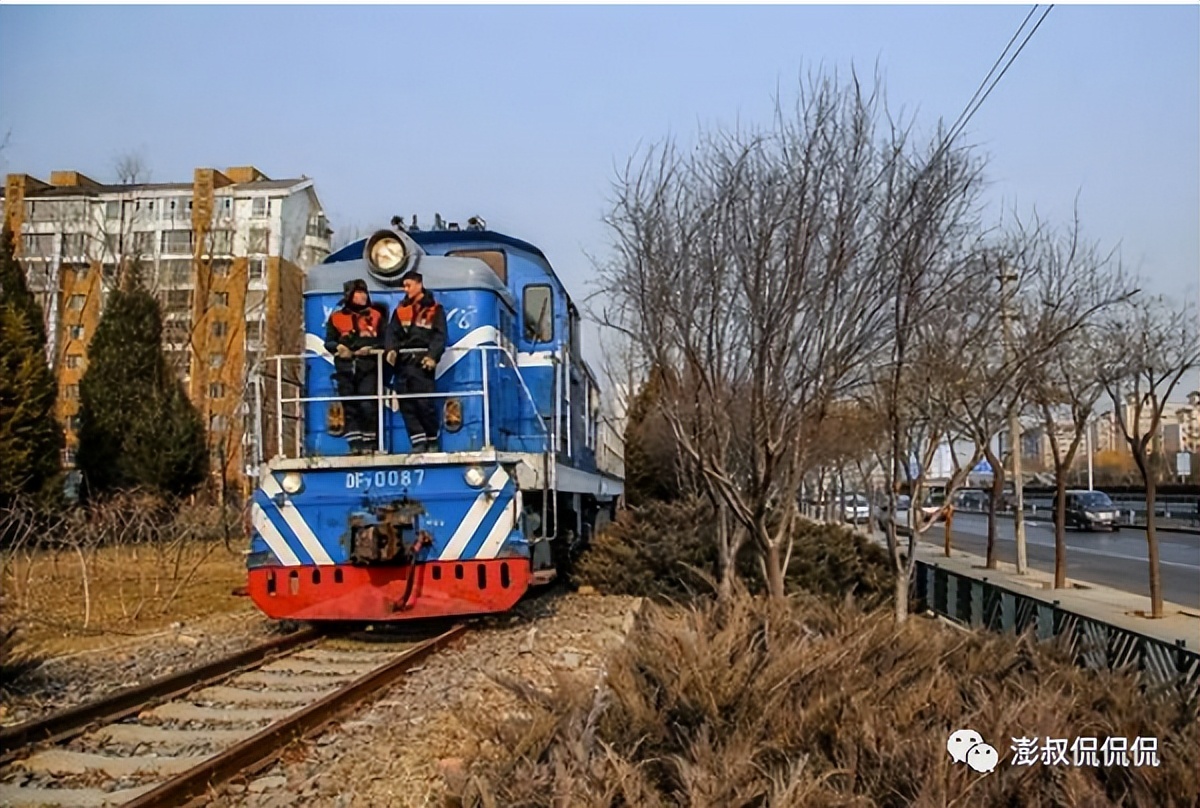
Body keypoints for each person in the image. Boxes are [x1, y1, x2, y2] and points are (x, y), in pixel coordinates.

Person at [385, 269, 447, 452]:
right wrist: (391, 350)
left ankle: (432, 438)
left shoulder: (435, 310)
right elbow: (392, 333)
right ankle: (418, 441)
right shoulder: (400, 310)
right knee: (406, 404)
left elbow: (440, 335)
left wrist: (432, 356)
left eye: (408, 285)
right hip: (403, 364)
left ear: (419, 285)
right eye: (404, 286)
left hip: (422, 364)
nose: (406, 289)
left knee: (424, 403)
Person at [324, 279, 386, 454]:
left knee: (368, 405)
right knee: (350, 406)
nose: (363, 296)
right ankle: (354, 444)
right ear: (350, 295)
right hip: (345, 368)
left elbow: (385, 340)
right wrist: (339, 347)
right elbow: (328, 341)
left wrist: (372, 348)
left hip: (368, 367)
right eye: (359, 293)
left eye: (364, 292)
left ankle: (370, 443)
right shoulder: (336, 318)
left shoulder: (376, 316)